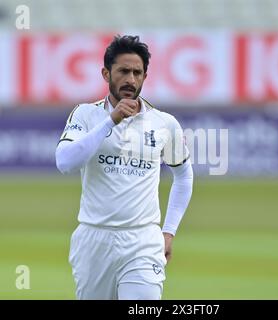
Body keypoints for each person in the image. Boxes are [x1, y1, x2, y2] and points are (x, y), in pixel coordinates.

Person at [55, 35, 193, 300]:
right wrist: (111, 120)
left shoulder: (164, 123)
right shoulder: (86, 114)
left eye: (137, 72)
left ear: (144, 76)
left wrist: (169, 231)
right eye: (123, 71)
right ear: (106, 74)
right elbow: (65, 162)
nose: (131, 79)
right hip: (94, 241)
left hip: (143, 241)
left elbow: (184, 176)